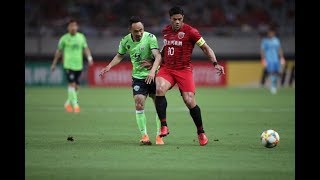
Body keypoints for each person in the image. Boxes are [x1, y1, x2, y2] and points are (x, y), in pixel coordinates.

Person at [148, 6, 225, 146]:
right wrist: (155, 61)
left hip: (184, 70)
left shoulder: (191, 32)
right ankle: (164, 125)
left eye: (180, 19)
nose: (177, 22)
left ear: (183, 18)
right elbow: (166, 48)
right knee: (159, 88)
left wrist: (215, 63)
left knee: (189, 100)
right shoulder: (165, 30)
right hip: (167, 69)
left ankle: (201, 132)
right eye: (174, 19)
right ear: (170, 19)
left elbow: (205, 48)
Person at [99, 16, 164, 145]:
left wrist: (152, 72)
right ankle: (144, 136)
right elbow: (119, 55)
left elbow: (158, 56)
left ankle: (159, 136)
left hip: (155, 75)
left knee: (159, 105)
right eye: (136, 31)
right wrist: (109, 66)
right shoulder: (125, 41)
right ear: (130, 30)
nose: (139, 33)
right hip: (138, 77)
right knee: (139, 102)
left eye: (141, 30)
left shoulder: (150, 38)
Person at [51, 19, 94, 113]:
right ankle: (75, 105)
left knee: (77, 87)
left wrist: (89, 58)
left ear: (77, 27)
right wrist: (54, 63)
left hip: (79, 65)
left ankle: (67, 103)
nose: (73, 27)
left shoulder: (81, 37)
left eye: (75, 25)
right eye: (71, 26)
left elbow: (85, 48)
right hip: (68, 65)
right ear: (68, 27)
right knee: (72, 84)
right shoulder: (64, 38)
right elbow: (59, 51)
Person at [260, 26, 285, 94]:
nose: (270, 34)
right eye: (269, 33)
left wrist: (282, 58)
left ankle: (274, 85)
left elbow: (279, 49)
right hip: (269, 60)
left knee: (277, 73)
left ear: (274, 33)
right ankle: (273, 86)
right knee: (271, 72)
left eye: (272, 33)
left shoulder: (276, 40)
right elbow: (262, 50)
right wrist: (263, 59)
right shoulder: (265, 41)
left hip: (276, 59)